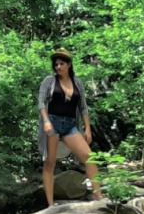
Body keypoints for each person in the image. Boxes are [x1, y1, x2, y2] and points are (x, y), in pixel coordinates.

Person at [37, 48, 102, 206]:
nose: (58, 67)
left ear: (69, 64)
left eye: (62, 63)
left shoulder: (77, 82)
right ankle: (50, 205)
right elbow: (40, 103)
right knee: (50, 162)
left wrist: (87, 128)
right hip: (52, 123)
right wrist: (46, 122)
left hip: (70, 125)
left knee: (89, 157)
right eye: (56, 64)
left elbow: (83, 107)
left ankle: (99, 197)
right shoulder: (49, 81)